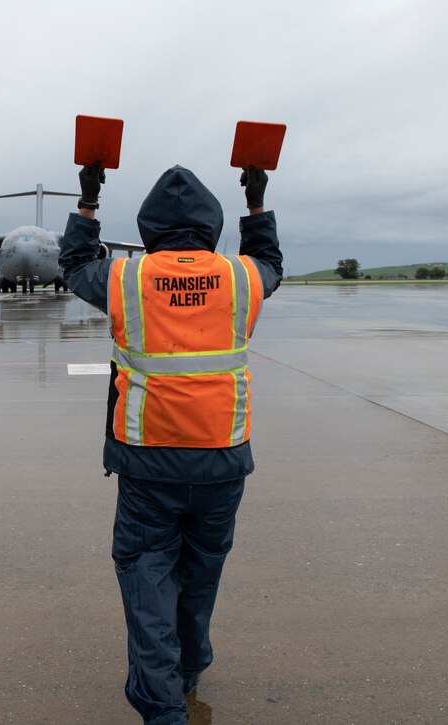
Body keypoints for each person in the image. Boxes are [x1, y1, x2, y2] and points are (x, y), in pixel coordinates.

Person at [59, 162, 283, 725]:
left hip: (149, 464)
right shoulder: (240, 278)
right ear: (211, 225)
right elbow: (272, 264)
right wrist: (256, 205)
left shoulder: (126, 277)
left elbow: (74, 265)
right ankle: (189, 667)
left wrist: (88, 201)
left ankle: (163, 708)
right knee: (200, 572)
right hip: (222, 461)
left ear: (149, 226)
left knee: (147, 575)